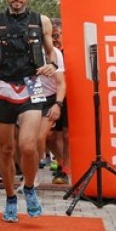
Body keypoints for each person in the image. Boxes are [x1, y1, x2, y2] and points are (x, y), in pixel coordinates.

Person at [0, 0, 58, 223]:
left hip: (31, 85)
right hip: (3, 87)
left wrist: (53, 65)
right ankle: (10, 198)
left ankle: (29, 187)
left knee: (28, 146)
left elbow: (51, 51)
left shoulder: (41, 21)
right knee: (6, 149)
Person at [47, 18, 70, 184]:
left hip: (69, 96)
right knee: (49, 136)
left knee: (67, 135)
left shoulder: (70, 51)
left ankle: (65, 170)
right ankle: (62, 163)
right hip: (50, 96)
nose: (54, 39)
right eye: (51, 36)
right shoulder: (48, 52)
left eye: (56, 35)